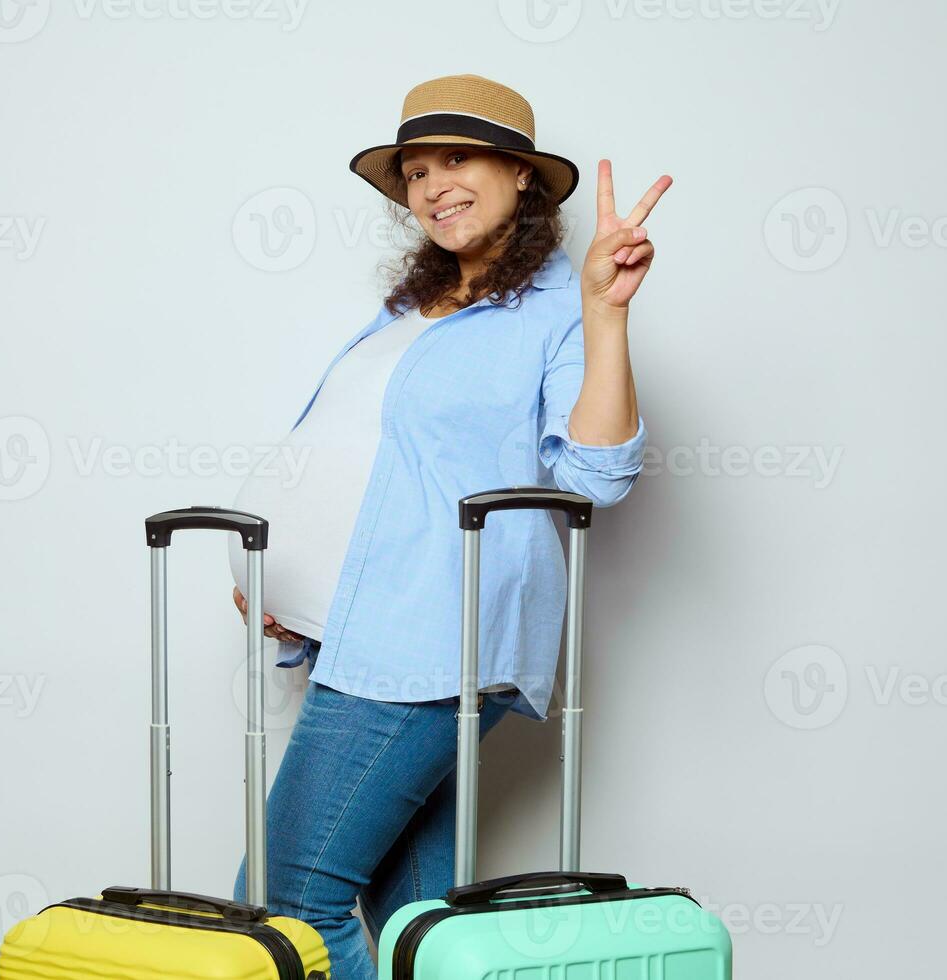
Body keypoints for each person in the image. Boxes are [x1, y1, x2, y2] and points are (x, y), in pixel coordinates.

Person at [225, 73, 670, 978]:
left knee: (287, 902)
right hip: (364, 631)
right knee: (412, 918)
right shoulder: (411, 308)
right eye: (416, 170)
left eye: (458, 159)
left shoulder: (558, 311)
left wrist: (606, 314)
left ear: (520, 175)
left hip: (430, 637)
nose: (433, 186)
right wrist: (294, 589)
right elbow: (376, 466)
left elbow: (597, 474)